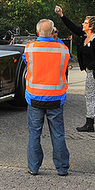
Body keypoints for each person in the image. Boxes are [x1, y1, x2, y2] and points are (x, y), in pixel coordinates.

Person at [55, 5, 95, 132]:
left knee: (89, 96)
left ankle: (90, 124)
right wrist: (62, 15)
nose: (83, 24)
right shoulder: (84, 35)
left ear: (91, 27)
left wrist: (89, 67)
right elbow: (73, 27)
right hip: (92, 71)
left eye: (85, 22)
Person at [23, 19, 70, 176]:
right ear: (53, 32)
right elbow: (66, 63)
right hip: (56, 99)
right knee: (58, 134)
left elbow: (26, 62)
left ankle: (34, 167)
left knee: (34, 134)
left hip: (34, 98)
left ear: (37, 33)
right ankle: (62, 168)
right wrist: (55, 39)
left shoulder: (30, 48)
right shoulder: (63, 49)